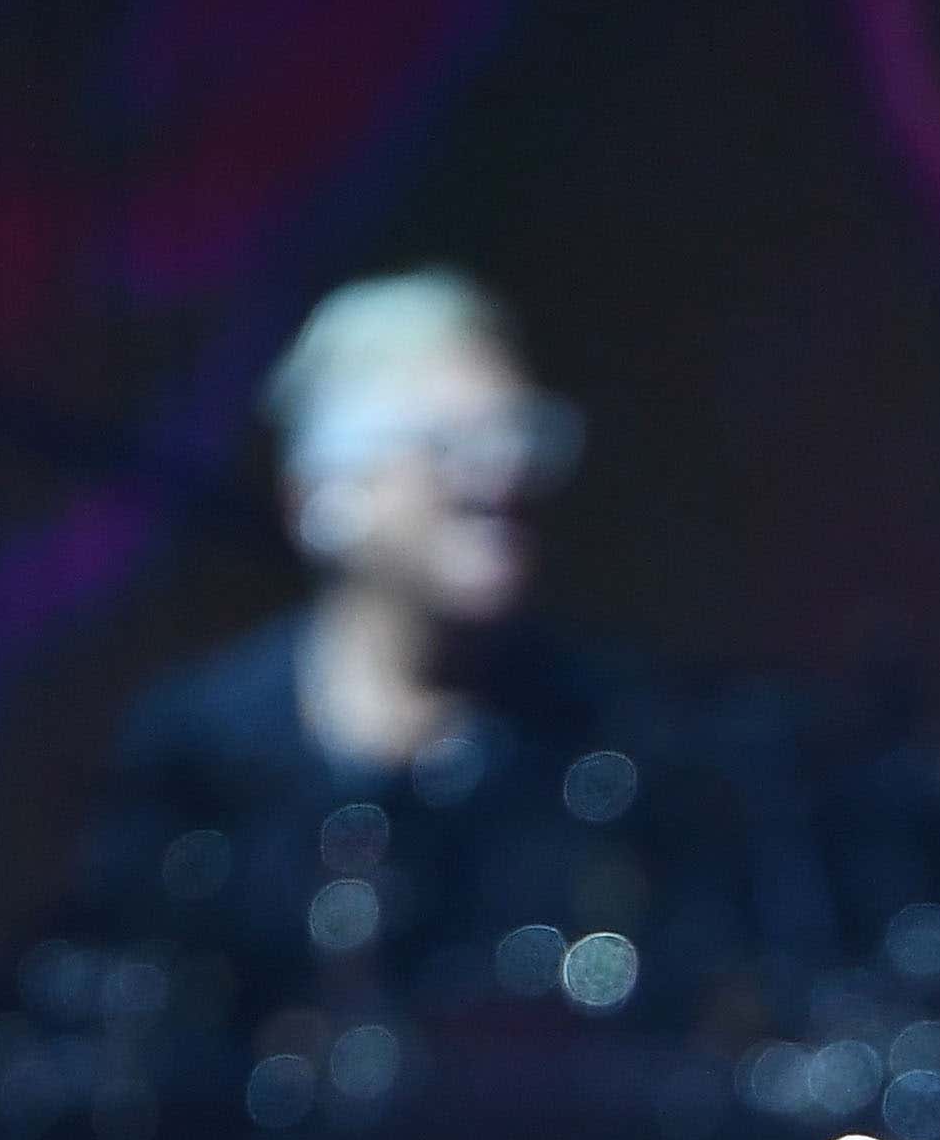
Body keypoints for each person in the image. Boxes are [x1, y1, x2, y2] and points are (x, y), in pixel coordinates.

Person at [77, 269, 738, 1015]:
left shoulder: (617, 736)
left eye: (520, 434)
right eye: (447, 445)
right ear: (321, 496)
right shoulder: (196, 753)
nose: (501, 473)